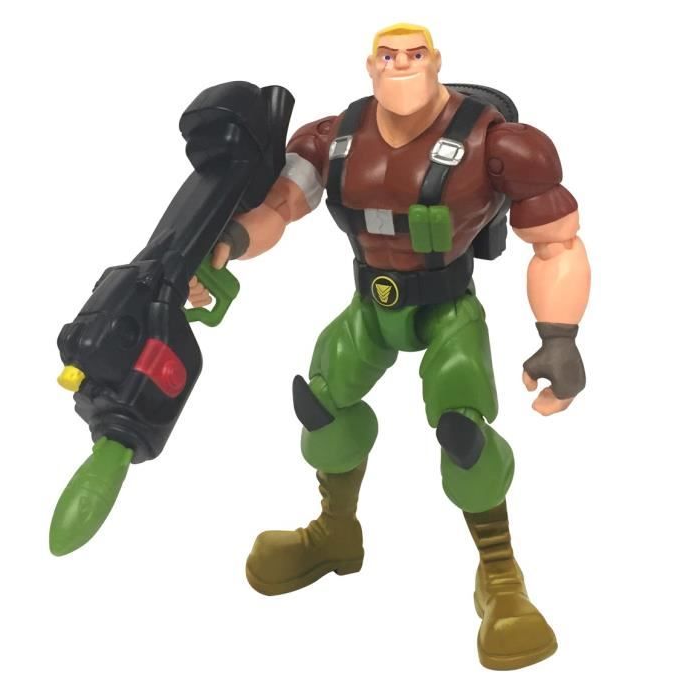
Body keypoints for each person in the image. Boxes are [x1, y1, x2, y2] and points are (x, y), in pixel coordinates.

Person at [189, 22, 590, 670]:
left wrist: (559, 336)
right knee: (324, 407)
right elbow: (277, 210)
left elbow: (557, 243)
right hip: (371, 308)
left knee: (464, 431)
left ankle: (501, 577)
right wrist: (226, 245)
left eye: (415, 53)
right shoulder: (332, 141)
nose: (401, 63)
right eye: (388, 54)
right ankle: (334, 534)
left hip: (447, 309)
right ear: (370, 66)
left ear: (436, 61)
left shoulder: (500, 146)